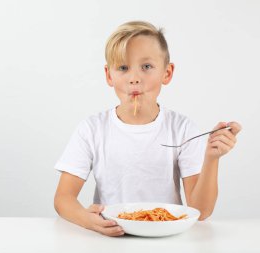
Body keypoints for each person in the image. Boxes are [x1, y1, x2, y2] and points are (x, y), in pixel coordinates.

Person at [53, 20, 242, 237]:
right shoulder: (91, 129)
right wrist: (88, 221)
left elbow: (201, 210)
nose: (134, 78)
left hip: (167, 238)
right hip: (111, 238)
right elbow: (63, 199)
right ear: (109, 75)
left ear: (167, 73)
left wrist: (212, 158)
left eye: (146, 67)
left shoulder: (182, 128)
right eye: (123, 68)